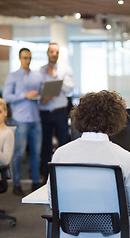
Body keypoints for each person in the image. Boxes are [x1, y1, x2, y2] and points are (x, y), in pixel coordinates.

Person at [48, 90, 130, 238]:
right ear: (116, 120)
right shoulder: (124, 158)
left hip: (69, 235)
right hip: (113, 236)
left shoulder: (60, 154)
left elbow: (53, 202)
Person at [3, 48, 43, 196]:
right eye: (25, 58)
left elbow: (41, 93)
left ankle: (35, 182)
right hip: (20, 119)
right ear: (20, 58)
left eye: (29, 58)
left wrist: (43, 96)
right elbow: (6, 97)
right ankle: (17, 184)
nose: (27, 61)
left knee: (36, 153)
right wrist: (24, 95)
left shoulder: (37, 76)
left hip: (35, 119)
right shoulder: (13, 76)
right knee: (19, 153)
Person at [39, 43, 73, 185]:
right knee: (45, 145)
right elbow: (37, 89)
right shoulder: (40, 71)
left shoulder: (65, 69)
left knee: (63, 144)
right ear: (48, 53)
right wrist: (43, 96)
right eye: (52, 51)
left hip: (60, 112)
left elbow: (69, 89)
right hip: (45, 112)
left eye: (57, 52)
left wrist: (56, 77)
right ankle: (45, 177)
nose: (54, 54)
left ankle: (65, 176)